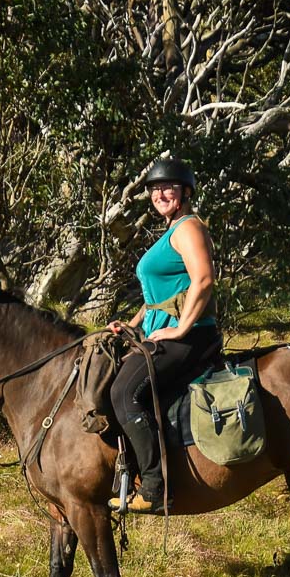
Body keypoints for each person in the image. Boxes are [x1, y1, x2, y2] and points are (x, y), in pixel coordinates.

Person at [106, 156, 222, 513]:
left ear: (185, 192)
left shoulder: (188, 228)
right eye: (155, 189)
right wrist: (132, 325)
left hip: (191, 337)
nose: (160, 194)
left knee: (123, 392)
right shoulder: (171, 232)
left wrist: (182, 327)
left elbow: (204, 279)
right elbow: (156, 299)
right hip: (164, 334)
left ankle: (156, 487)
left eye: (167, 187)